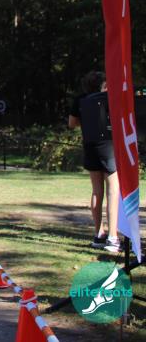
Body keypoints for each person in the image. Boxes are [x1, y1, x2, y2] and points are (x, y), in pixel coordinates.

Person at [68, 71, 121, 254]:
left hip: (90, 145)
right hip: (108, 146)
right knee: (113, 190)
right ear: (103, 85)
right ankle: (113, 237)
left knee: (97, 190)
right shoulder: (108, 98)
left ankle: (98, 234)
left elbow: (71, 123)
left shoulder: (80, 100)